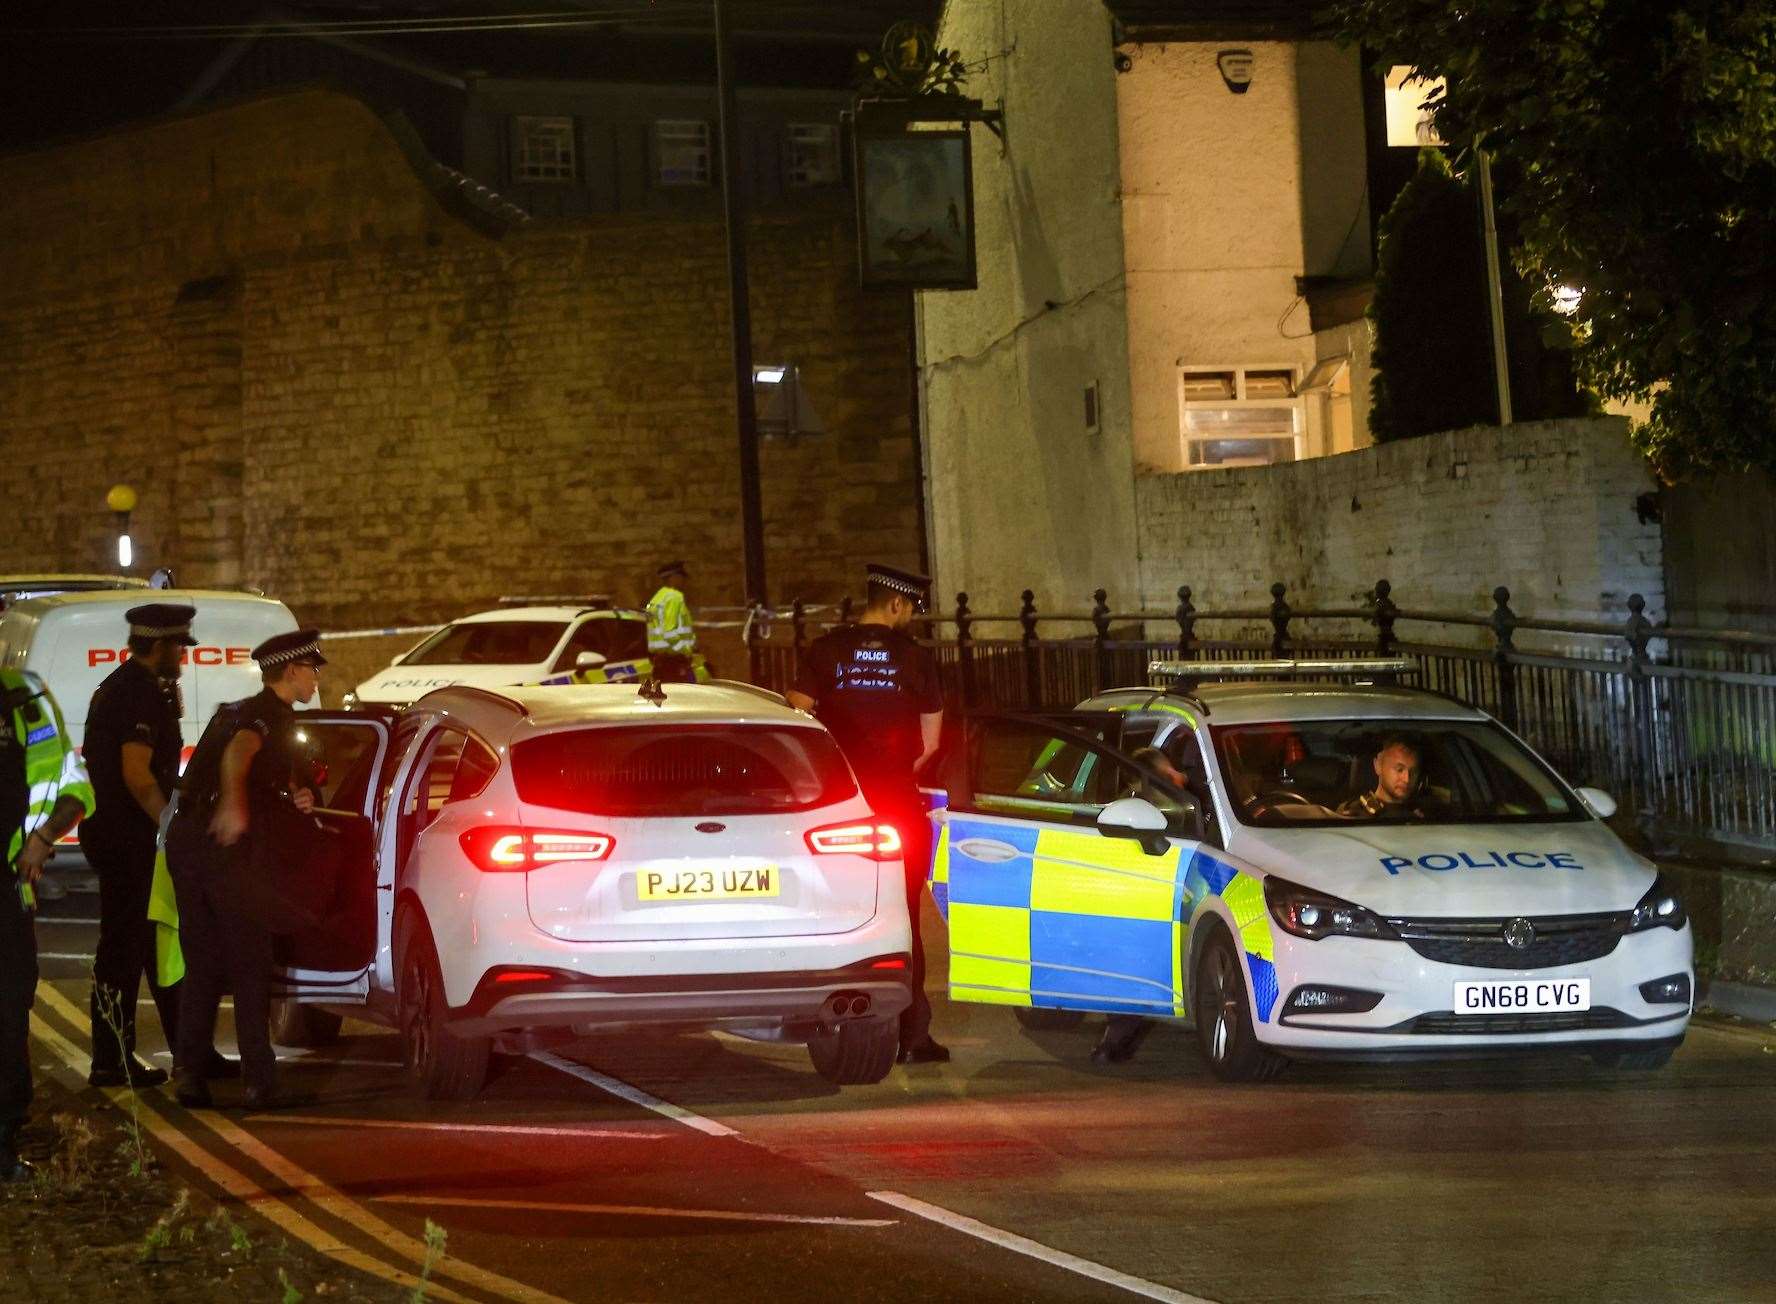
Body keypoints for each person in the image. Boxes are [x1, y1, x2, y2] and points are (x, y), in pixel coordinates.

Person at [787, 564, 948, 1064]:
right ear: (897, 605)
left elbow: (796, 717)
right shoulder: (916, 660)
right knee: (901, 917)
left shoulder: (824, 652)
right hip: (896, 806)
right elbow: (930, 743)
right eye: (912, 611)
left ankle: (829, 1021)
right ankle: (912, 1036)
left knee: (833, 915)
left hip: (835, 811)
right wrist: (890, 772)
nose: (912, 621)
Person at [168, 629, 324, 1110]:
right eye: (311, 669)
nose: (316, 678)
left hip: (189, 845)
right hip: (226, 851)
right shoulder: (265, 716)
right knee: (251, 963)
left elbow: (276, 779)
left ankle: (189, 1077)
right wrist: (235, 804)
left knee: (205, 964)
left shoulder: (233, 709)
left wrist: (301, 796)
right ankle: (260, 1083)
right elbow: (241, 751)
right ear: (292, 671)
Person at [80, 603, 228, 1089]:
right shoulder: (138, 694)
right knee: (126, 950)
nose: (183, 657)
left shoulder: (126, 687)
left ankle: (190, 1053)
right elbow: (137, 774)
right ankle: (112, 1060)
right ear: (159, 645)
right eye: (178, 647)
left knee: (159, 944)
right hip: (131, 842)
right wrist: (171, 825)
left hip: (128, 838)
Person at [1, 670, 94, 1179]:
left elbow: (74, 788)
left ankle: (3, 1142)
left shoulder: (24, 700)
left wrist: (43, 837)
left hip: (7, 888)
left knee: (10, 1010)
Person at [1091, 746, 1191, 1067]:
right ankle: (1117, 1037)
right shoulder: (1137, 810)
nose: (1182, 777)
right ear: (1152, 781)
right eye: (1169, 772)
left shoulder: (1183, 803)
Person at [1338, 735, 1429, 819]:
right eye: (1399, 769)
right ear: (1378, 766)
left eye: (1414, 772)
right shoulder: (1352, 811)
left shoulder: (1429, 810)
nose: (1407, 779)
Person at [645, 561, 699, 681]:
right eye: (681, 577)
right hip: (674, 661)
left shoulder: (657, 598)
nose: (683, 581)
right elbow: (669, 632)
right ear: (673, 578)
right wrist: (686, 650)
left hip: (660, 661)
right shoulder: (674, 597)